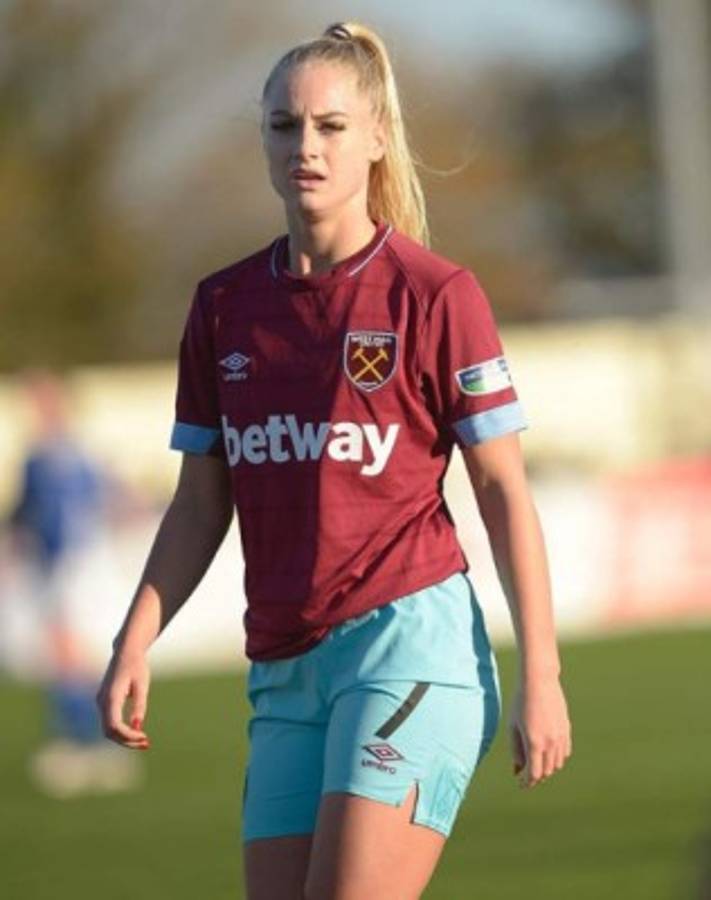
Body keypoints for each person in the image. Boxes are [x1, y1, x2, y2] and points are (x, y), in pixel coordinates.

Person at [97, 20, 572, 899]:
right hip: (283, 668)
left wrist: (539, 675)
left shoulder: (435, 294)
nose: (304, 147)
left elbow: (503, 489)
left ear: (377, 137)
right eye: (284, 126)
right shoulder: (222, 306)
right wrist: (135, 638)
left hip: (407, 652)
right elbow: (200, 502)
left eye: (330, 126)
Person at [8, 369, 142, 796]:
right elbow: (25, 512)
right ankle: (88, 740)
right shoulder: (39, 457)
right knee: (65, 656)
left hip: (75, 565)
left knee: (69, 654)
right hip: (53, 566)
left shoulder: (72, 456)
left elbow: (107, 498)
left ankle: (90, 742)